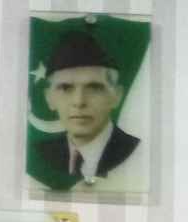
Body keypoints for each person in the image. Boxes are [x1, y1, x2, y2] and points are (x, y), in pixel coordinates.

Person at [36, 31, 140, 184]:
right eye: (66, 88)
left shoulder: (137, 152)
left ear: (116, 96)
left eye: (94, 88)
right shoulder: (40, 154)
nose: (79, 102)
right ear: (49, 98)